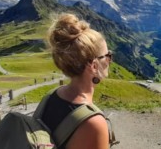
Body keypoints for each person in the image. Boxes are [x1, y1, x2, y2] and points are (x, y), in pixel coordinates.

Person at [42, 13, 113, 149]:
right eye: (107, 55)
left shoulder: (50, 96)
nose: (110, 59)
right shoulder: (94, 122)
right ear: (94, 66)